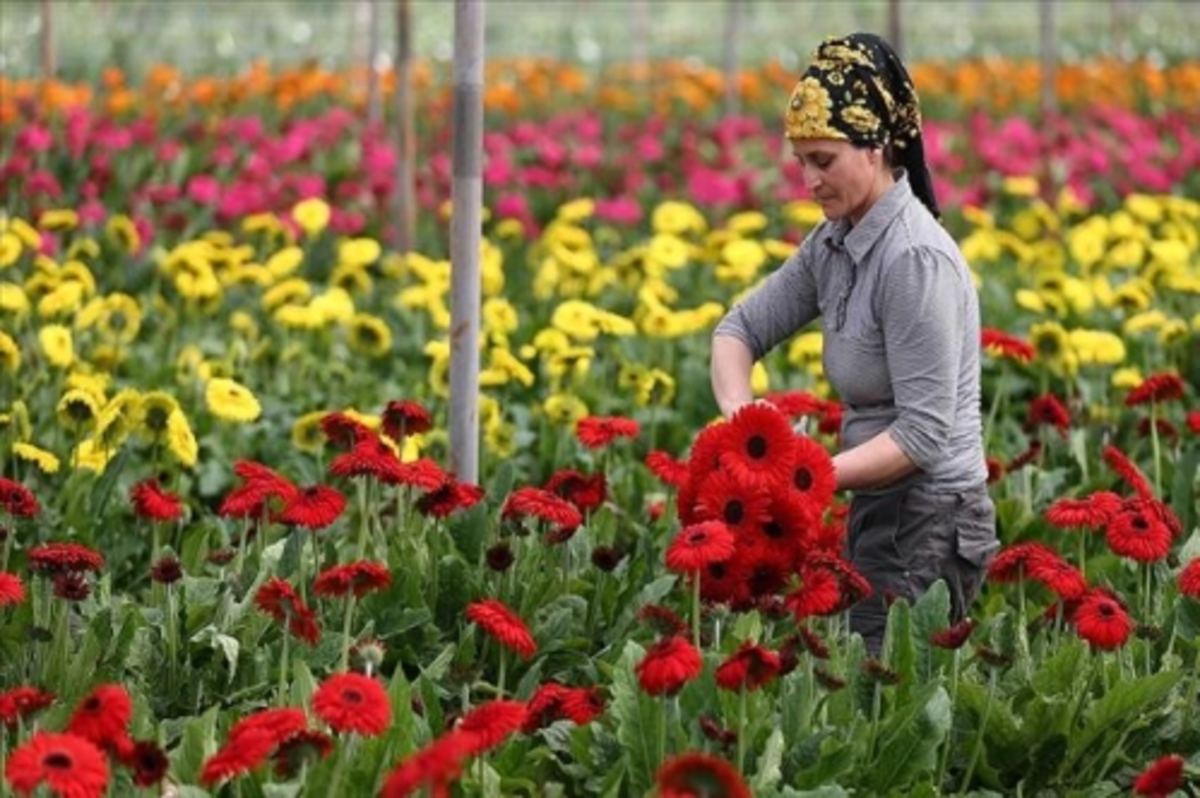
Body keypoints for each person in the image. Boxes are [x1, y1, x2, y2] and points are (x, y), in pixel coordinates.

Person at [709, 32, 998, 654]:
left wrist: (802, 479)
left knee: (880, 701)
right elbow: (739, 331)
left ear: (877, 148)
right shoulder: (834, 242)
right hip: (879, 505)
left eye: (824, 159)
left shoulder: (914, 259)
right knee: (857, 691)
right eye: (801, 161)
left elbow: (923, 435)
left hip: (931, 518)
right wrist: (744, 431)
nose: (809, 180)